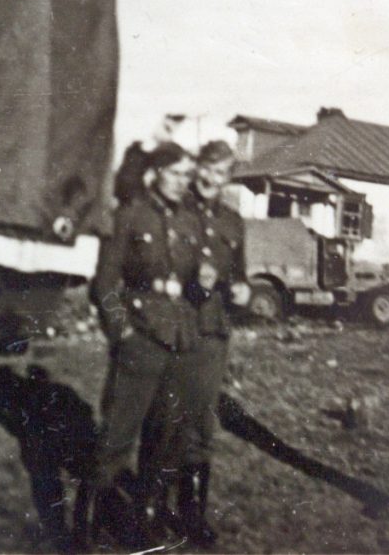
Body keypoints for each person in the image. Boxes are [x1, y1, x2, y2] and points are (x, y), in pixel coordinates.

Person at [76, 142, 203, 550]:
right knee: (116, 437)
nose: (186, 182)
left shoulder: (190, 219)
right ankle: (88, 526)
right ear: (156, 174)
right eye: (178, 173)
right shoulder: (130, 214)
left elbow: (193, 283)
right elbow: (104, 284)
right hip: (140, 339)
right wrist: (121, 332)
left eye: (188, 175)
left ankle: (140, 522)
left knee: (164, 436)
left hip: (178, 340)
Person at [137, 140, 249, 547]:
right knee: (165, 420)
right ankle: (148, 509)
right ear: (196, 168)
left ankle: (192, 515)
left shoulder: (234, 222)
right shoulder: (173, 211)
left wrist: (242, 290)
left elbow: (240, 274)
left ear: (227, 178)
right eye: (205, 169)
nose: (210, 179)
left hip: (212, 334)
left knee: (201, 424)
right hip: (176, 328)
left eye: (220, 173)